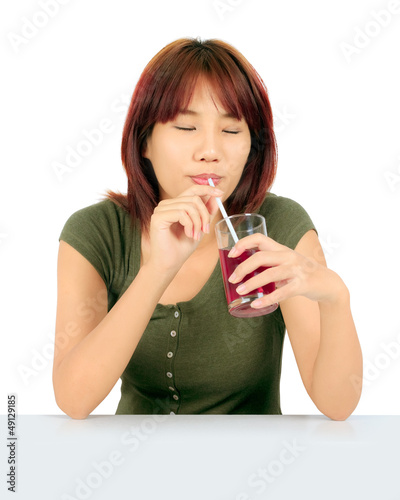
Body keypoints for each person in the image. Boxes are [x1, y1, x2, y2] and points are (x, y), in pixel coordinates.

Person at [53, 38, 363, 420]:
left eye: (232, 132)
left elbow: (337, 405)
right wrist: (157, 271)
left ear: (253, 147)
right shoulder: (97, 232)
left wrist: (335, 297)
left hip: (254, 470)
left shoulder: (278, 226)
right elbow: (73, 399)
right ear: (144, 141)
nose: (211, 151)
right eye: (186, 127)